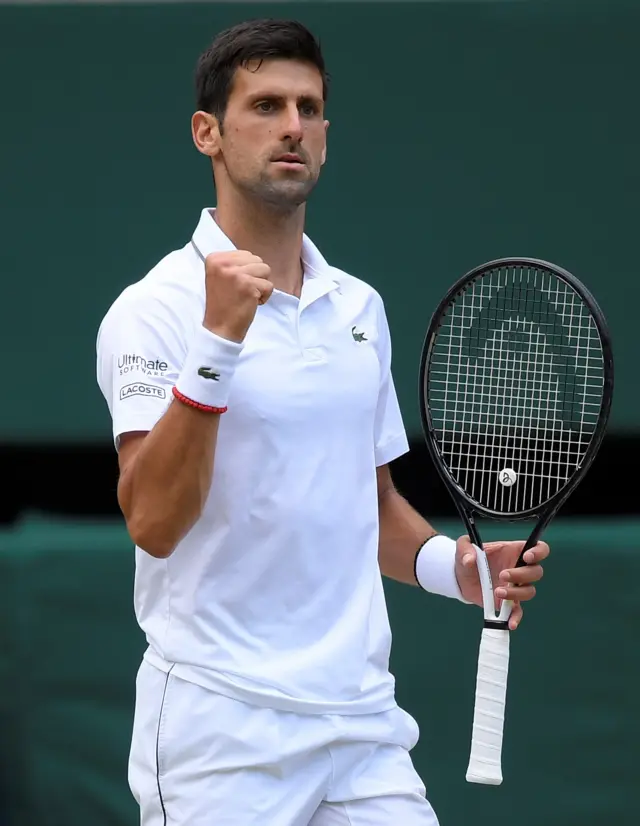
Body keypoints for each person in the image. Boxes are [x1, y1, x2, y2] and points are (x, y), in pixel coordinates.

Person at [96, 18, 549, 826]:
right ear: (208, 132)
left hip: (360, 728)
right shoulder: (153, 310)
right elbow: (155, 522)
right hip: (221, 735)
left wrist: (457, 569)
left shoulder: (361, 309)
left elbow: (366, 505)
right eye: (266, 105)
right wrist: (216, 342)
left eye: (309, 108)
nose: (293, 127)